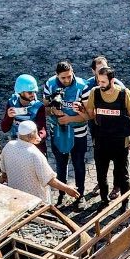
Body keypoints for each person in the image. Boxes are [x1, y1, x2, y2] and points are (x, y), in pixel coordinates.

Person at [82, 65, 130, 206]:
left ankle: (125, 203)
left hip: (120, 141)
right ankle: (104, 201)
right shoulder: (94, 92)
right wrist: (81, 111)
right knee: (101, 175)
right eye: (99, 81)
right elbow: (90, 114)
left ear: (112, 80)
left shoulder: (124, 93)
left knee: (123, 176)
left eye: (103, 82)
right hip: (101, 141)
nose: (100, 85)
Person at [0, 120, 80, 204]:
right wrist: (67, 189)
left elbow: (4, 173)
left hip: (16, 198)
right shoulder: (35, 154)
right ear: (31, 135)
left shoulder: (9, 145)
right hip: (35, 201)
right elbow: (49, 180)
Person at [44, 60, 89, 207]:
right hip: (57, 131)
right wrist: (53, 110)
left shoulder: (83, 86)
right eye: (63, 78)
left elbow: (89, 115)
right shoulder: (50, 84)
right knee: (60, 164)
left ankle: (80, 195)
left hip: (78, 132)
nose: (67, 80)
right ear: (57, 75)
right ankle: (62, 194)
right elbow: (43, 109)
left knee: (78, 163)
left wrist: (70, 118)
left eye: (69, 76)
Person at [0, 74, 46, 152]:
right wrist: (9, 116)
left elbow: (43, 129)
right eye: (29, 92)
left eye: (34, 92)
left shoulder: (38, 107)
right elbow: (4, 128)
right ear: (21, 92)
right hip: (16, 146)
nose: (33, 95)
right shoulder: (12, 103)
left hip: (33, 148)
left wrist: (39, 138)